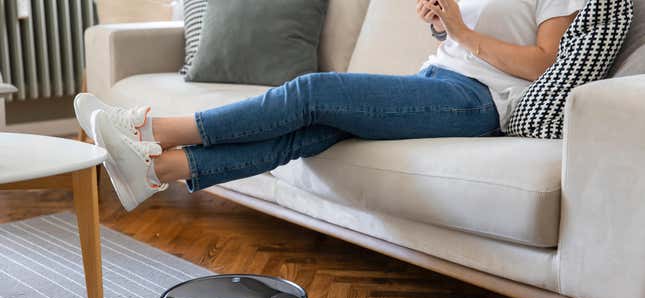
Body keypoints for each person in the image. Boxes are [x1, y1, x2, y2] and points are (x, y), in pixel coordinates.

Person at [75, 0, 583, 211]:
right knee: (311, 129)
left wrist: (463, 32)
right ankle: (160, 169)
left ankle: (151, 128)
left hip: (477, 102)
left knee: (313, 92)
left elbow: (543, 63)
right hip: (436, 79)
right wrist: (439, 22)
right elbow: (458, 36)